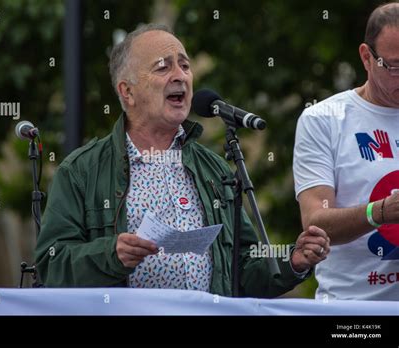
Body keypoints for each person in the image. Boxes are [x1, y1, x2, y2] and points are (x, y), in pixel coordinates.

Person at [35, 23, 330, 297]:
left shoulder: (214, 169)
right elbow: (51, 266)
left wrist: (293, 260)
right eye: (163, 67)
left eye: (185, 65)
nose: (180, 75)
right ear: (127, 92)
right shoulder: (81, 170)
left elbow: (242, 270)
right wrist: (111, 255)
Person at [293, 3, 399, 301]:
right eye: (395, 67)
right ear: (367, 57)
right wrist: (380, 212)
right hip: (352, 309)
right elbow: (315, 220)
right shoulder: (323, 120)